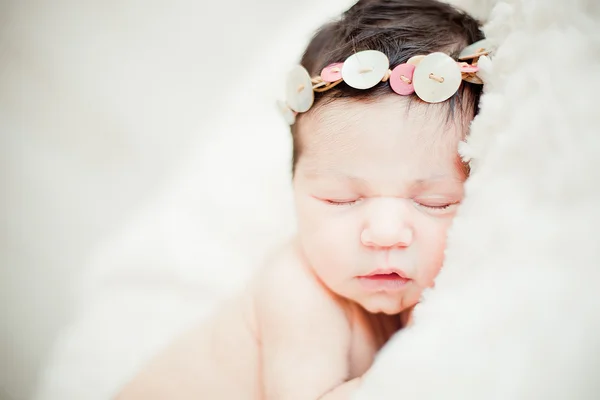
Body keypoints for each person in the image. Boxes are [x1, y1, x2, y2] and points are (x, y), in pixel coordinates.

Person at [117, 0, 488, 398]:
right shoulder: (299, 295)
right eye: (340, 199)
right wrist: (425, 356)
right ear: (294, 188)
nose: (384, 233)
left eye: (434, 202)